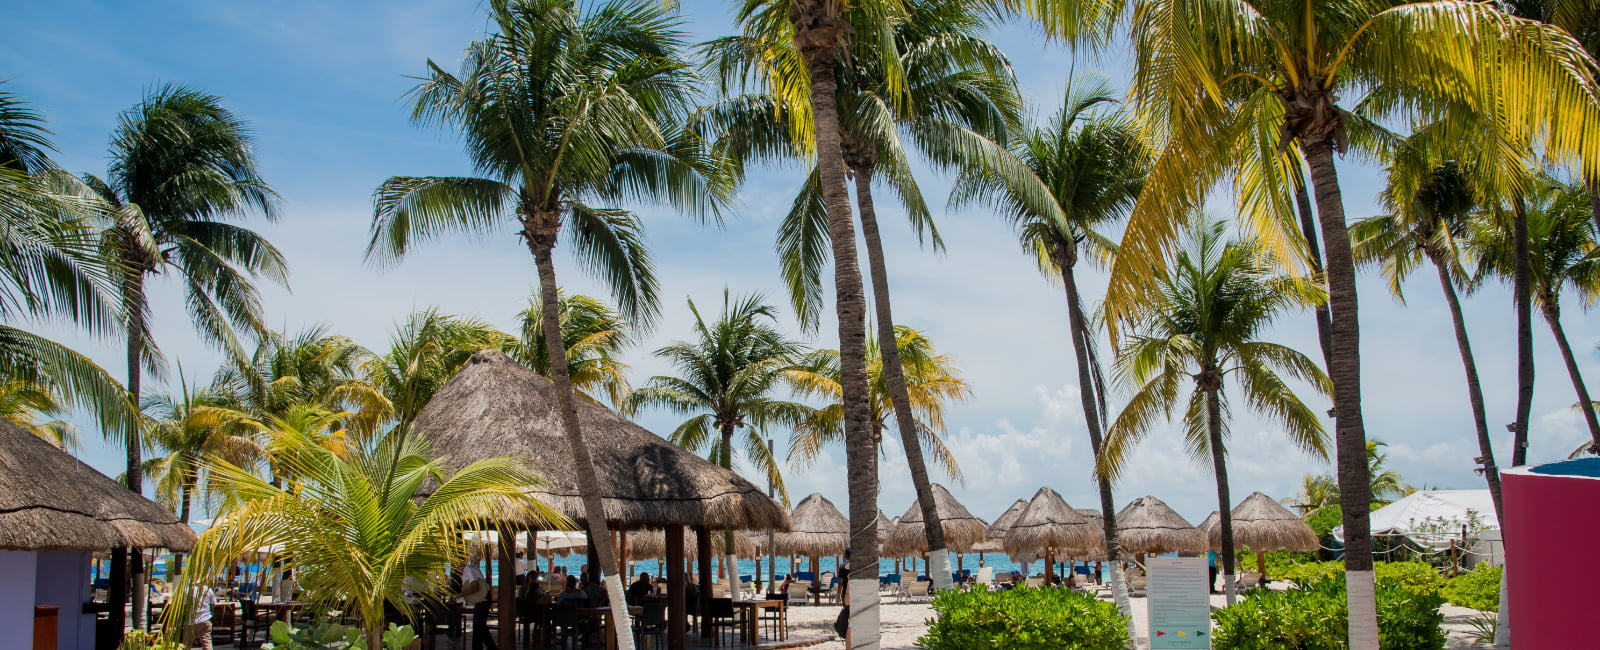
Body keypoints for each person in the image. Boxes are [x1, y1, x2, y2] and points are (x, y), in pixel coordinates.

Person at [457, 552, 495, 650]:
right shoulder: (468, 570)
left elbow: (475, 588)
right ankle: (490, 647)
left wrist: (460, 595)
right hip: (481, 598)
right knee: (480, 625)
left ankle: (484, 647)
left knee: (479, 624)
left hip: (483, 598)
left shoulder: (468, 569)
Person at [185, 580, 218, 650]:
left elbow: (184, 605)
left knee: (187, 644)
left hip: (191, 622)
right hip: (205, 620)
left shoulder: (187, 589)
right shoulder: (207, 589)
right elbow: (214, 604)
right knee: (207, 643)